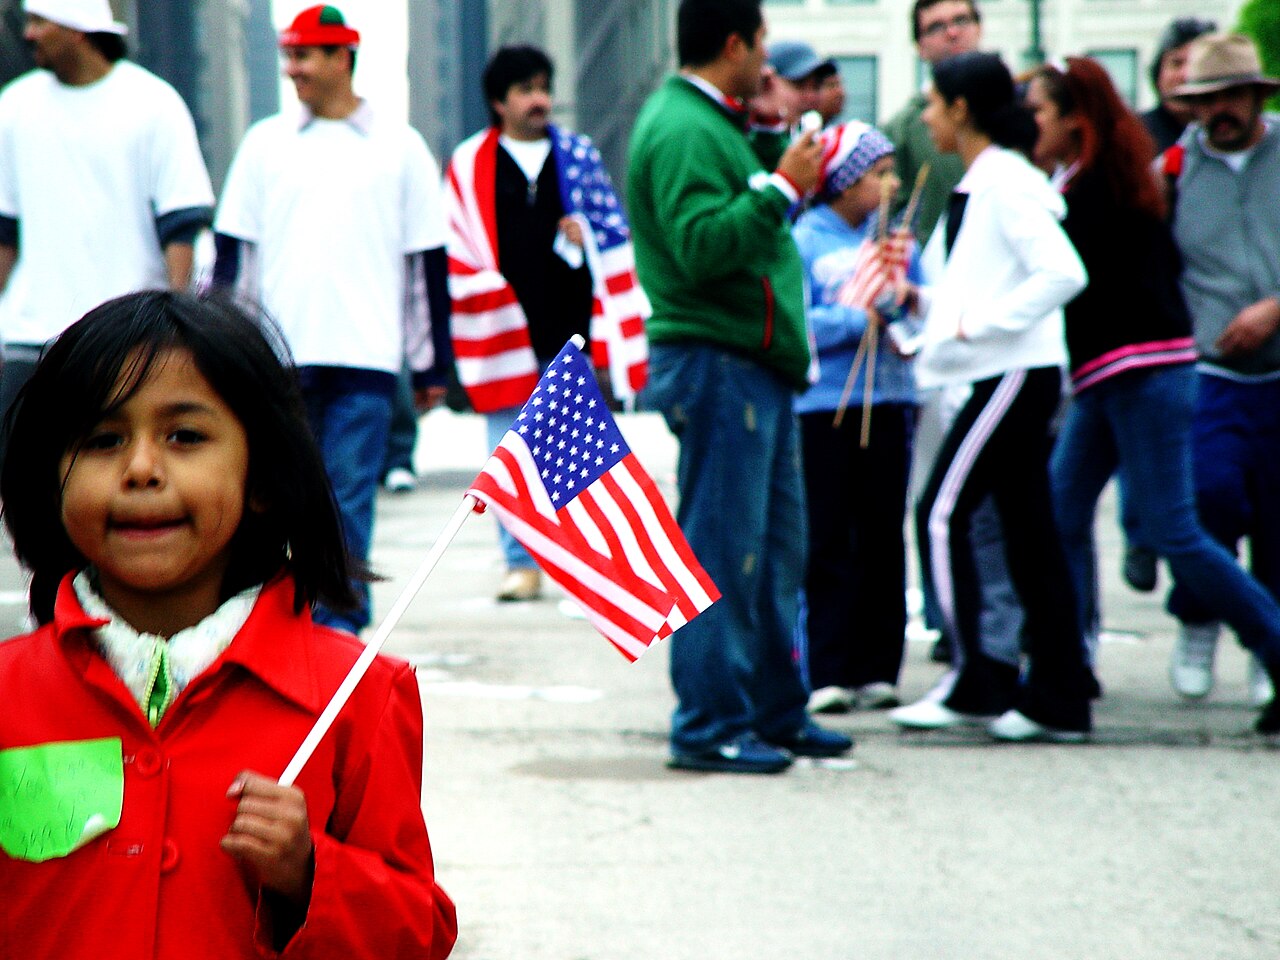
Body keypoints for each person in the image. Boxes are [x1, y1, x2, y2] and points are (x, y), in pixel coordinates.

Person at [0, 291, 457, 958]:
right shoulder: (10, 693)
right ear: (51, 481)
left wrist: (310, 872)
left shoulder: (358, 694)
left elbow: (418, 934)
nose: (141, 470)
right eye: (102, 440)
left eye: (185, 436)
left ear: (263, 478)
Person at [628, 0, 852, 773]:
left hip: (751, 367)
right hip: (721, 364)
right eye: (761, 46)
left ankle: (772, 712)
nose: (769, 64)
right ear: (734, 43)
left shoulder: (709, 122)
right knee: (725, 555)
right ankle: (709, 725)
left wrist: (765, 149)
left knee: (776, 554)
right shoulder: (685, 127)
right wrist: (781, 188)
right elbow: (697, 246)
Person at [1029, 56, 1280, 732]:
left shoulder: (1097, 188)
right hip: (1118, 376)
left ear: (1075, 120)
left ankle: (1274, 642)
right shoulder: (1103, 176)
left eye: (1039, 112)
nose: (1029, 123)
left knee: (1177, 530)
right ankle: (1067, 666)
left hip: (1146, 373)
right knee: (1061, 510)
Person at [213, 4, 453, 634]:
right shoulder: (265, 145)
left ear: (344, 57)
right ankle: (274, 634)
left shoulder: (401, 149)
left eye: (305, 56)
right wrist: (217, 353)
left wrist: (431, 366)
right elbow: (235, 263)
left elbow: (423, 270)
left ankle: (337, 640)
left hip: (367, 363)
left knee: (346, 508)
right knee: (272, 508)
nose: (293, 69)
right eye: (288, 55)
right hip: (279, 367)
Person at [886, 52, 1095, 742]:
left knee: (939, 513)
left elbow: (1063, 272)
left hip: (1013, 374)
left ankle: (977, 682)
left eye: (931, 103)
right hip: (1012, 373)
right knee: (1031, 535)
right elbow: (983, 280)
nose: (924, 116)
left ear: (961, 109)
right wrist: (932, 307)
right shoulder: (991, 179)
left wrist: (981, 326)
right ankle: (1057, 695)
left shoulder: (1002, 181)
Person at [445, 44, 648, 604]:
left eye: (544, 87)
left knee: (572, 457)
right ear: (498, 100)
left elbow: (614, 231)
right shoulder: (469, 164)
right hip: (500, 338)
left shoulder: (578, 156)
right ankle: (519, 564)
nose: (540, 100)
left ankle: (575, 565)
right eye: (526, 90)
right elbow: (457, 248)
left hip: (567, 335)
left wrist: (588, 235)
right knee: (508, 457)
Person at [0, 0, 214, 461]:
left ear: (78, 30)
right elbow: (3, 233)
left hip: (124, 337)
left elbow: (181, 226)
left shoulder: (154, 105)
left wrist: (177, 325)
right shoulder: (14, 107)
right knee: (23, 482)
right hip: (29, 335)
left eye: (40, 22)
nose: (29, 34)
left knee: (102, 469)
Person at [884, 0, 1023, 672]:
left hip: (1002, 350)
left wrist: (987, 321)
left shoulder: (1006, 155)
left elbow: (1059, 271)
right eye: (935, 26)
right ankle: (963, 636)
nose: (950, 32)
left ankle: (995, 655)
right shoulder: (910, 129)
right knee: (948, 500)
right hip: (943, 331)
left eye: (960, 20)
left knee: (964, 506)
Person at [1157, 34, 1280, 718]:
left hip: (1279, 364)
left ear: (1257, 95)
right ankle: (1198, 615)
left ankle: (1270, 650)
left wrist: (1274, 309)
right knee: (1209, 495)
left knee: (1275, 516)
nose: (1219, 112)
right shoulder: (1173, 168)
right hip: (1210, 370)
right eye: (1205, 101)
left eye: (1231, 96)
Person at [792, 121, 922, 713]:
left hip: (889, 400)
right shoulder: (805, 241)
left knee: (881, 533)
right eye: (879, 173)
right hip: (825, 409)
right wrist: (853, 320)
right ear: (843, 182)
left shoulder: (896, 243)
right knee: (828, 535)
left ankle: (879, 665)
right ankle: (828, 668)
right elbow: (798, 324)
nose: (891, 183)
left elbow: (917, 316)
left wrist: (903, 314)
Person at [1141, 17, 1218, 154]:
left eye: (1196, 65)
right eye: (1176, 63)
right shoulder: (1135, 134)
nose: (1185, 75)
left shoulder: (1230, 131)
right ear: (1158, 72)